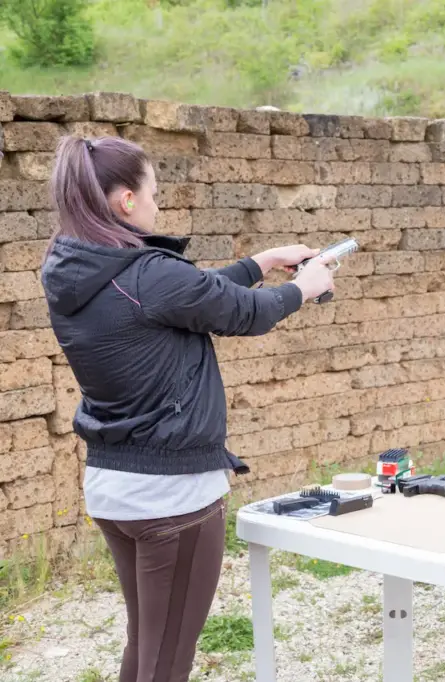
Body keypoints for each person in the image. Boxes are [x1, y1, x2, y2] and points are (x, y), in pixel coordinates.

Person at [40, 134, 337, 682]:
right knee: (167, 661)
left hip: (115, 488)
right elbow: (240, 313)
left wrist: (262, 262)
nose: (158, 203)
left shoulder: (74, 265)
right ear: (126, 200)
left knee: (150, 648)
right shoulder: (145, 272)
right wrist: (303, 289)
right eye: (153, 191)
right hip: (173, 497)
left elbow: (191, 295)